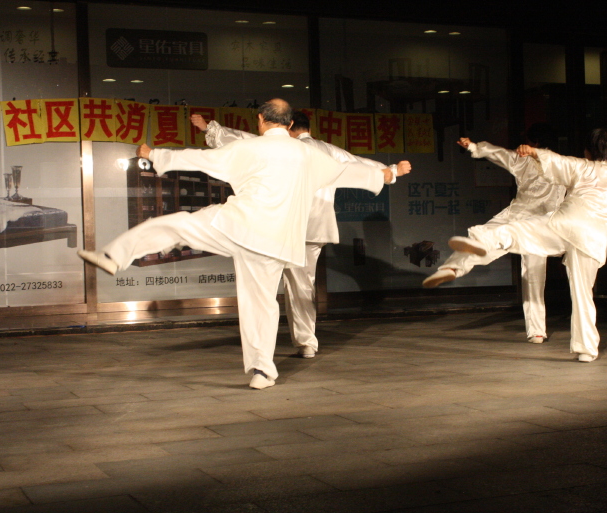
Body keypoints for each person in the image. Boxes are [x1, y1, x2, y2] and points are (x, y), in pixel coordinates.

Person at [78, 99, 404, 389]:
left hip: (237, 226)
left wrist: (155, 155)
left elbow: (202, 160)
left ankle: (114, 256)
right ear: (290, 123)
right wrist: (388, 174)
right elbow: (349, 171)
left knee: (176, 225)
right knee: (261, 304)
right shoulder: (312, 155)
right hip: (277, 242)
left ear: (260, 121)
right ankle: (263, 371)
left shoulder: (251, 147)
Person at [192, 111, 410, 359]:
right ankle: (306, 343)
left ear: (288, 126)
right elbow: (359, 163)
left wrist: (210, 129)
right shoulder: (328, 150)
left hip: (280, 227)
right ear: (309, 128)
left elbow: (242, 141)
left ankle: (261, 349)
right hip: (312, 229)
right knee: (303, 287)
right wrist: (392, 170)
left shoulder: (280, 148)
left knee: (262, 286)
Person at [443, 128, 607, 362]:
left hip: (560, 225)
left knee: (513, 235)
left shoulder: (581, 166)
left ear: (588, 151)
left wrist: (530, 153)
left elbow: (548, 161)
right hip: (591, 240)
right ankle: (585, 349)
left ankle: (478, 247)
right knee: (581, 294)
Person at [423, 124, 565, 344]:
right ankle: (537, 331)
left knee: (486, 236)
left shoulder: (524, 160)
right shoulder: (564, 164)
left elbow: (500, 154)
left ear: (535, 143)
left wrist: (474, 147)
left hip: (518, 215)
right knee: (533, 276)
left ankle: (454, 267)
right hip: (541, 226)